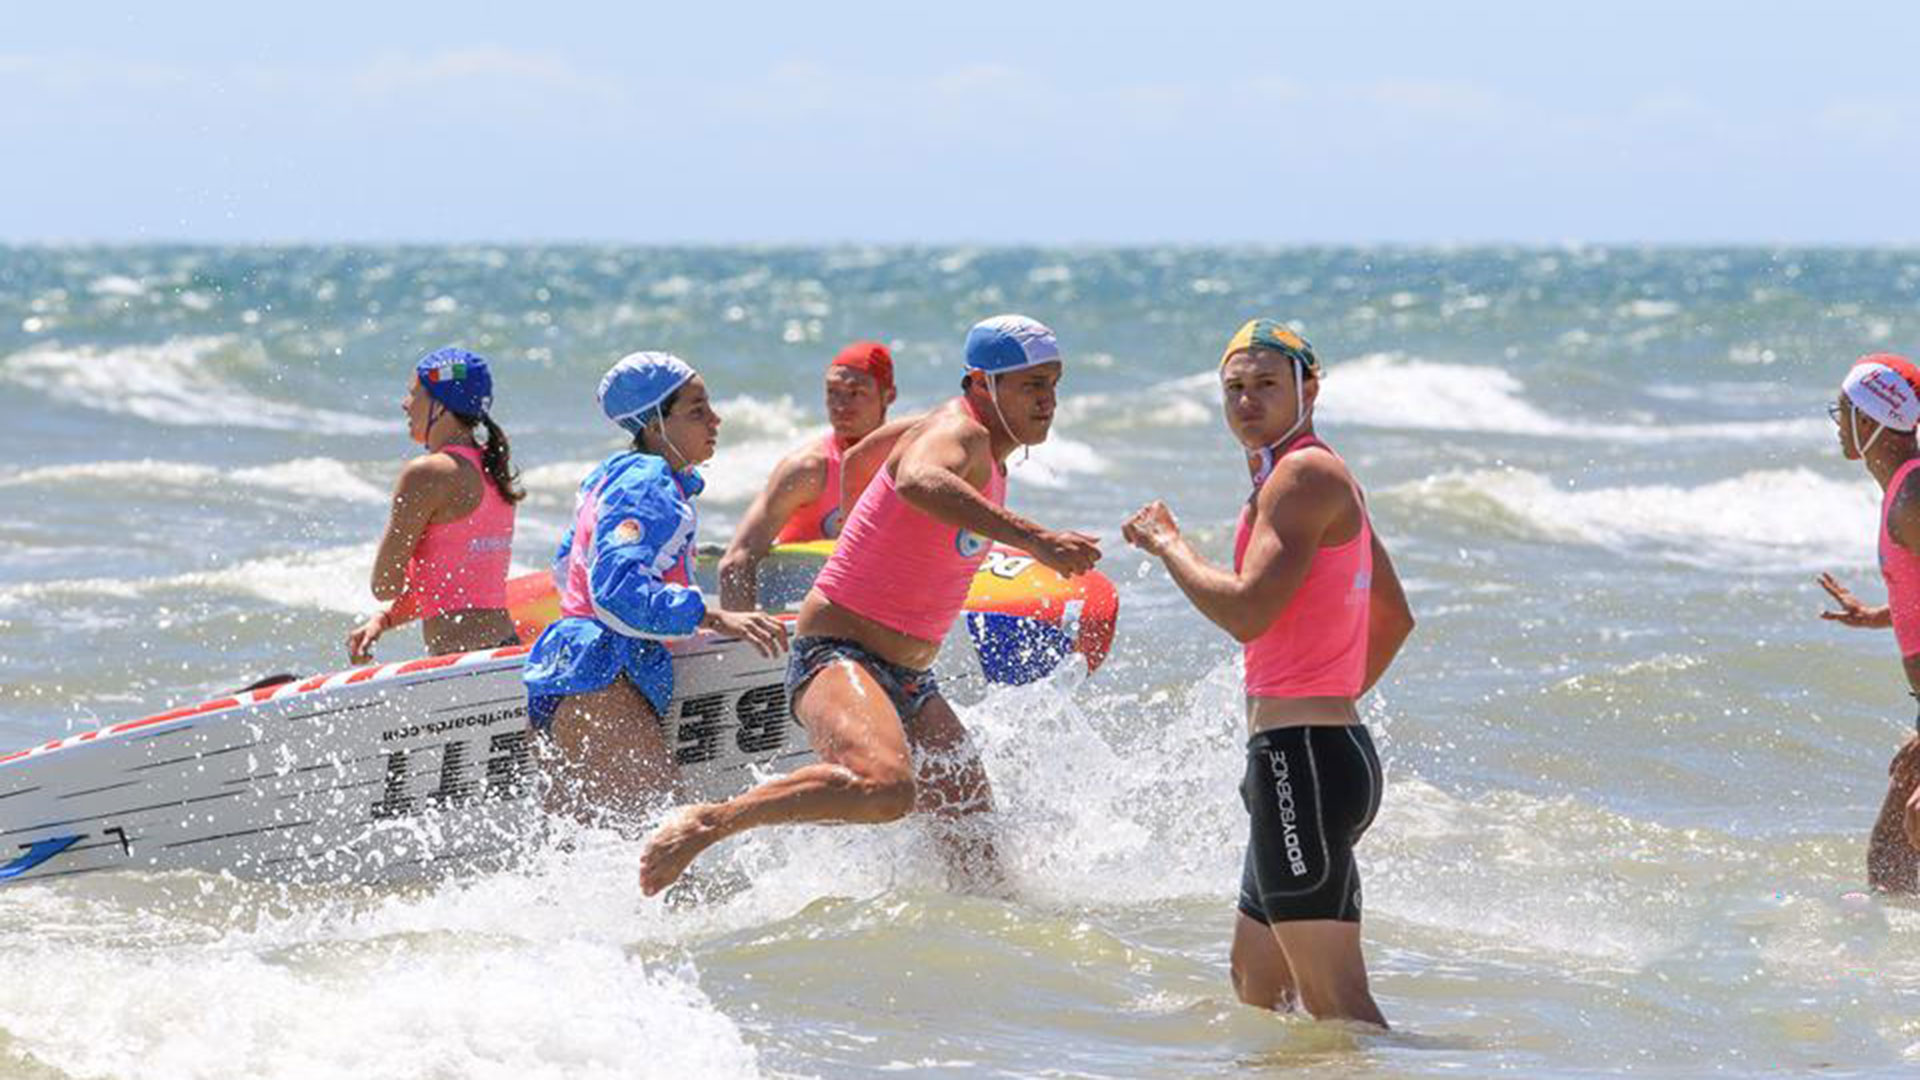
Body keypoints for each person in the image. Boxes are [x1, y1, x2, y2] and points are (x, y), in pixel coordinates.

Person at [637, 315, 1102, 896]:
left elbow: (861, 468)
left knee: (980, 860)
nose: (1048, 400)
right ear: (982, 384)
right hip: (837, 653)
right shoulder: (963, 435)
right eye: (1032, 385)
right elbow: (915, 479)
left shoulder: (946, 428)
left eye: (1054, 383)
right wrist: (1036, 539)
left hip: (910, 677)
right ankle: (711, 821)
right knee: (884, 787)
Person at [1122, 319, 1414, 1027]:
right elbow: (1394, 615)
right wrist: (1326, 701)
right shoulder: (1308, 474)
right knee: (1257, 983)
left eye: (1267, 386)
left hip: (1302, 763)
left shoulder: (1303, 475)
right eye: (1235, 388)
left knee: (1339, 1006)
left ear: (1309, 388)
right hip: (1309, 757)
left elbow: (1248, 612)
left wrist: (1169, 544)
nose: (1247, 402)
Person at [522, 351, 788, 828]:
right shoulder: (649, 483)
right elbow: (614, 593)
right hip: (602, 683)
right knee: (673, 860)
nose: (716, 419)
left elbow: (567, 567)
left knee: (588, 872)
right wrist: (709, 616)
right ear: (654, 426)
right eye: (696, 410)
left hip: (574, 673)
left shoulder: (607, 476)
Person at [1816, 353, 1920, 892]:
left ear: (1874, 417)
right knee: (1890, 866)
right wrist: (1882, 615)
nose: (1838, 422)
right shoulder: (1902, 490)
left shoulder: (1913, 498)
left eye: (1844, 409)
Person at [347, 347, 523, 664]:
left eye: (414, 394)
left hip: (462, 665)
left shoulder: (427, 474)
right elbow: (453, 587)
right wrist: (384, 620)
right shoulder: (492, 469)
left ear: (440, 406)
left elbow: (385, 584)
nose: (405, 404)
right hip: (504, 652)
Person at [718, 341, 904, 611]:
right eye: (833, 392)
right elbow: (737, 560)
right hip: (806, 611)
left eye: (855, 392)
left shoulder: (906, 464)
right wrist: (742, 636)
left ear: (889, 395)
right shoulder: (808, 470)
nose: (841, 405)